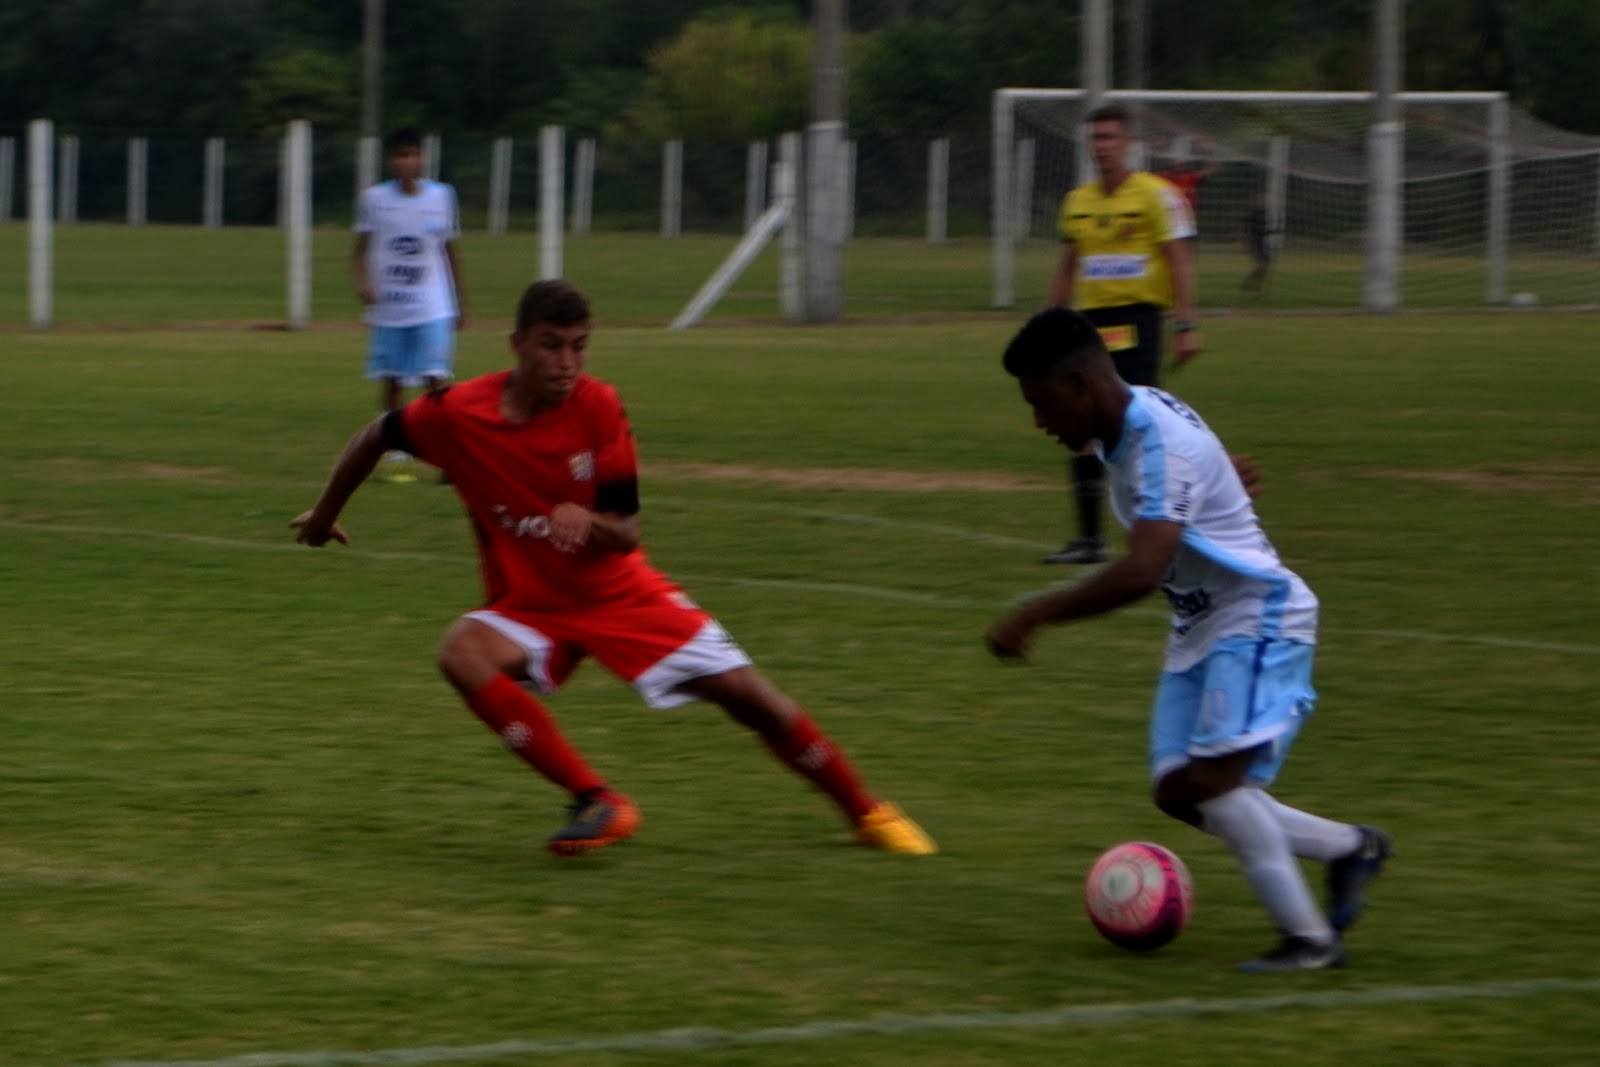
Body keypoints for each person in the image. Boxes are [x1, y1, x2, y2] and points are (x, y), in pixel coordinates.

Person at [290, 279, 936, 859]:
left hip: (622, 595)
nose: (567, 363)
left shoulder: (598, 406)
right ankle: (596, 799)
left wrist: (588, 521)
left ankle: (867, 812)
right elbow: (377, 434)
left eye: (579, 347)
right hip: (533, 605)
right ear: (518, 345)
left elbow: (626, 531)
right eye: (551, 346)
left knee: (753, 700)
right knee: (461, 652)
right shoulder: (460, 414)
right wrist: (323, 515)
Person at [986, 308, 1390, 972]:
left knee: (1214, 782)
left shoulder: (1157, 444)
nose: (1038, 420)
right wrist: (1221, 479)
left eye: (1041, 401)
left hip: (1256, 615)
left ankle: (1310, 940)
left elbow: (1142, 570)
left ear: (1081, 384)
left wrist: (1035, 615)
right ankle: (1349, 847)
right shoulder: (1128, 419)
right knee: (1177, 788)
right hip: (1201, 622)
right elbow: (1187, 474)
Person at [1043, 103, 1200, 566]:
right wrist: (1047, 325)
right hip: (1091, 324)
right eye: (1095, 138)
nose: (1101, 146)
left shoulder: (1157, 195)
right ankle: (1090, 539)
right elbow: (1068, 267)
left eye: (1109, 137)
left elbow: (1178, 260)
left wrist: (1185, 324)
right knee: (1077, 419)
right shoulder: (1078, 202)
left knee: (1136, 423)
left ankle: (1165, 528)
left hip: (1139, 321)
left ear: (1127, 142)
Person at [351, 127, 468, 483]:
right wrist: (363, 283)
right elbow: (358, 251)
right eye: (400, 155)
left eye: (411, 155)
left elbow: (449, 251)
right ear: (391, 161)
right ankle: (398, 452)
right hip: (390, 309)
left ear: (421, 158)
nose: (406, 162)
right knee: (392, 381)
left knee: (436, 379)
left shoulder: (442, 196)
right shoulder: (375, 199)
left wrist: (459, 302)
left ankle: (449, 454)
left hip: (432, 305)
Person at [1241, 193, 1276, 297]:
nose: (1264, 202)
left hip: (1263, 243)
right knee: (1261, 267)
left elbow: (1264, 230)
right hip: (1255, 243)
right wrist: (1245, 241)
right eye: (1261, 200)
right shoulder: (1252, 214)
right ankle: (1249, 282)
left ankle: (1258, 288)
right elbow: (1245, 228)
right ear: (1257, 201)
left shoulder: (1265, 214)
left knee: (1266, 267)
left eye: (1265, 200)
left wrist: (1273, 231)